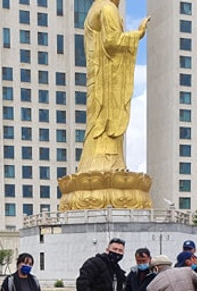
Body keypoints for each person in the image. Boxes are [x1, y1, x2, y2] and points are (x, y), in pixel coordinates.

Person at [77, 0, 150, 173]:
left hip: (97, 79)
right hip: (106, 83)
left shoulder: (94, 9)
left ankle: (98, 162)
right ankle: (108, 161)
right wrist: (137, 34)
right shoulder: (107, 8)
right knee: (106, 122)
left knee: (96, 123)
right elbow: (111, 41)